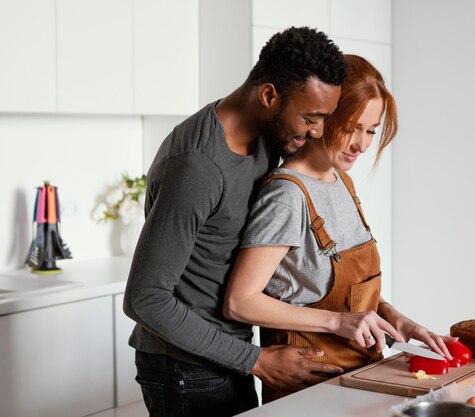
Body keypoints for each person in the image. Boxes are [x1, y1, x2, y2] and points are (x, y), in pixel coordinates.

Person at [123, 27, 349, 417]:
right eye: (311, 117)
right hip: (185, 370)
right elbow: (146, 299)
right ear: (268, 95)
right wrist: (256, 360)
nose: (317, 131)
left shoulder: (267, 136)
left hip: (225, 356)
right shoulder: (197, 167)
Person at [224, 55, 456, 402]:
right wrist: (336, 324)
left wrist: (399, 321)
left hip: (361, 378)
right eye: (353, 126)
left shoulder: (342, 182)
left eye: (371, 131)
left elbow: (345, 295)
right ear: (325, 114)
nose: (362, 144)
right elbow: (240, 301)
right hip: (309, 391)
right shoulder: (287, 196)